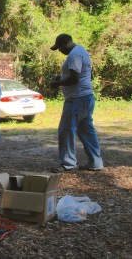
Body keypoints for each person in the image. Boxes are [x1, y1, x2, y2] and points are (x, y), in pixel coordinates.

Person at [49, 34, 104, 173]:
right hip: (86, 97)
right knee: (86, 131)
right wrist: (60, 77)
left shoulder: (74, 54)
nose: (60, 51)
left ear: (66, 43)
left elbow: (74, 78)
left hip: (76, 98)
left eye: (60, 47)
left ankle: (68, 163)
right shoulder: (81, 51)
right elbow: (76, 74)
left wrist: (58, 83)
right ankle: (95, 162)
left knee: (66, 130)